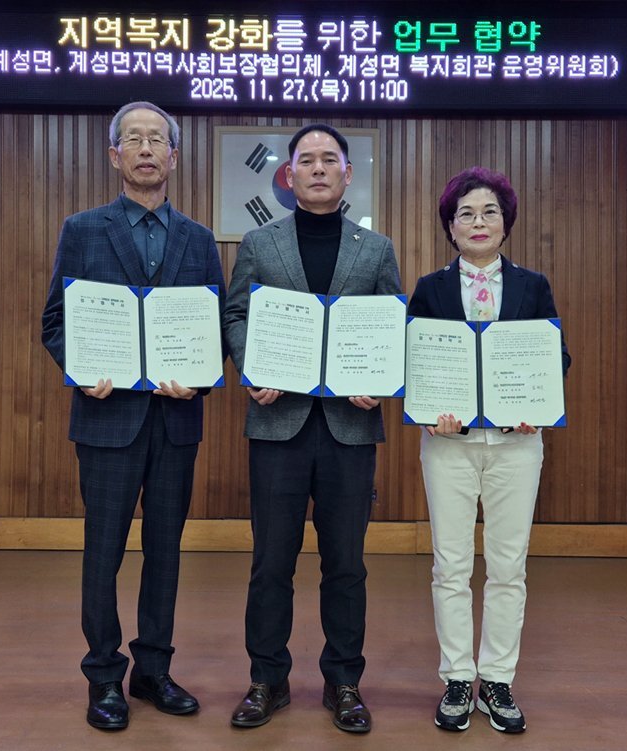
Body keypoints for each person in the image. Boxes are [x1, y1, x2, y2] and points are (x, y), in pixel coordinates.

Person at [41, 102, 225, 731]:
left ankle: (153, 670)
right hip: (106, 417)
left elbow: (213, 329)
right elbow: (55, 321)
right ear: (115, 155)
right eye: (134, 139)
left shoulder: (199, 239)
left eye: (157, 140)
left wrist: (199, 378)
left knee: (165, 552)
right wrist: (82, 369)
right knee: (104, 551)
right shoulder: (82, 230)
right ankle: (102, 675)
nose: (146, 149)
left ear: (174, 156)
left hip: (175, 421)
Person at [222, 124, 402, 734]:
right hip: (279, 421)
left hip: (351, 426)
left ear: (348, 174)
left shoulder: (376, 248)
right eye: (307, 160)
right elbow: (237, 313)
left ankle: (344, 682)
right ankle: (266, 679)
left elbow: (391, 322)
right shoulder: (259, 242)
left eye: (330, 159)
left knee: (346, 564)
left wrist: (381, 380)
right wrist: (252, 367)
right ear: (289, 174)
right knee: (271, 561)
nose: (318, 169)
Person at [407, 166, 570, 734]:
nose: (478, 222)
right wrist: (429, 410)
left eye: (489, 212)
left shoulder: (533, 285)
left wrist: (536, 403)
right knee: (450, 565)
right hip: (448, 445)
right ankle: (457, 677)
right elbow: (415, 360)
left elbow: (555, 356)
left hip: (516, 444)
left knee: (508, 567)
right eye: (466, 214)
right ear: (450, 227)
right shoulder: (429, 288)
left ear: (506, 223)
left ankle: (497, 679)